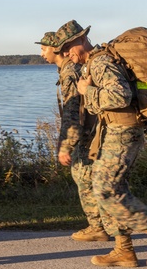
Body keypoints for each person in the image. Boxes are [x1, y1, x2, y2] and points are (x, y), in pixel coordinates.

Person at [57, 21, 147, 268]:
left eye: (68, 47)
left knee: (106, 188)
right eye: (62, 50)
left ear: (81, 40)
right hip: (113, 130)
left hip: (123, 131)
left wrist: (87, 91)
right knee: (108, 186)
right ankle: (124, 250)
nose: (66, 53)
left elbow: (120, 96)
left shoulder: (100, 62)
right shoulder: (94, 62)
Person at [37, 23, 108, 242]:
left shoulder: (69, 72)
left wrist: (66, 145)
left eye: (44, 49)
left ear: (55, 49)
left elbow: (73, 112)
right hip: (91, 131)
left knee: (83, 176)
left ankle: (98, 227)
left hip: (86, 134)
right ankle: (103, 224)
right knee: (91, 178)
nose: (41, 54)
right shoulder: (71, 69)